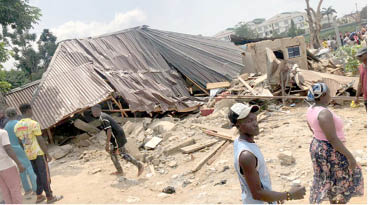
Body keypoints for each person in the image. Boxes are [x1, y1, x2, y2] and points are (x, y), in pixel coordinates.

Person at [229, 103, 306, 204]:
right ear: (238, 125)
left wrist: (275, 197)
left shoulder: (239, 142)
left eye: (255, 119)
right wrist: (289, 195)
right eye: (249, 121)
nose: (255, 124)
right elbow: (257, 194)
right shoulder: (246, 155)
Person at [306, 83, 364, 204]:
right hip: (330, 150)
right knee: (348, 175)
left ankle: (332, 200)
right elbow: (333, 139)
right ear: (323, 95)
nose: (330, 96)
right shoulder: (324, 114)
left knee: (327, 177)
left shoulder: (311, 109)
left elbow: (312, 128)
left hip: (318, 146)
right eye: (328, 93)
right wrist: (350, 157)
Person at [14, 103, 62, 204]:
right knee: (44, 174)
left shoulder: (17, 126)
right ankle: (50, 197)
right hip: (38, 153)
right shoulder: (33, 123)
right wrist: (47, 154)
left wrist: (26, 150)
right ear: (28, 110)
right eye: (31, 110)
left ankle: (39, 196)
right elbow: (40, 140)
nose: (32, 111)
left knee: (38, 175)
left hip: (29, 154)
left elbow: (20, 142)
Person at [91, 104, 144, 176]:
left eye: (94, 111)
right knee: (113, 153)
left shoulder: (103, 118)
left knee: (122, 154)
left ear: (99, 110)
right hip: (116, 137)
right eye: (92, 111)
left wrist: (107, 144)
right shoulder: (102, 116)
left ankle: (139, 165)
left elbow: (109, 131)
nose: (93, 113)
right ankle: (120, 171)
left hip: (117, 137)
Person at [5, 107, 37, 197]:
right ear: (16, 113)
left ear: (7, 115)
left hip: (11, 150)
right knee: (29, 167)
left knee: (21, 169)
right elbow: (23, 138)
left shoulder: (6, 126)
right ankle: (35, 188)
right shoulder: (18, 124)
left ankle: (27, 189)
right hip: (20, 148)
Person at [0, 125, 25, 204]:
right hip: (7, 165)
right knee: (15, 189)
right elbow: (8, 148)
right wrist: (19, 163)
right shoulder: (2, 133)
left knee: (5, 191)